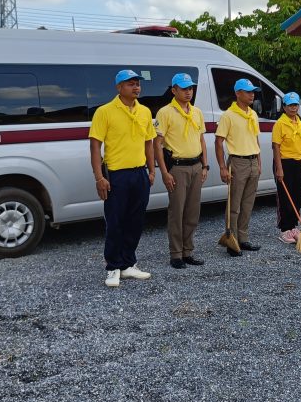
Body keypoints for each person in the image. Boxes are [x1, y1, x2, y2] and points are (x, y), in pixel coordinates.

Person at [89, 69, 156, 287]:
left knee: (136, 221)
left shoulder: (144, 111)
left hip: (139, 173)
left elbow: (149, 142)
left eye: (137, 84)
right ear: (119, 87)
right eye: (130, 84)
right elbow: (95, 145)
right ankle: (113, 266)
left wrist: (151, 170)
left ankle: (128, 264)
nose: (136, 87)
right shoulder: (105, 112)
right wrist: (99, 177)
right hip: (116, 175)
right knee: (115, 222)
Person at [154, 72, 208, 269]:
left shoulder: (197, 112)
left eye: (190, 88)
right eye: (184, 88)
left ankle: (188, 251)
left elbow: (201, 139)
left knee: (193, 212)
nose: (188, 92)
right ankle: (176, 254)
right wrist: (164, 172)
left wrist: (205, 165)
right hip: (177, 167)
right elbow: (157, 144)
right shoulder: (165, 112)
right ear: (174, 90)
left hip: (196, 166)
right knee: (177, 211)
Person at [215, 78, 263, 257]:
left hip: (252, 161)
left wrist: (259, 161)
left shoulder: (253, 114)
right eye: (248, 91)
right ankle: (232, 241)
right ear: (238, 93)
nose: (252, 95)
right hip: (237, 162)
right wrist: (222, 167)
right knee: (234, 205)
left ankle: (243, 238)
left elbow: (255, 138)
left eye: (253, 91)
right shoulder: (228, 115)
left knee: (248, 204)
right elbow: (218, 142)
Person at [272, 92, 301, 244]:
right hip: (284, 163)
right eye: (290, 105)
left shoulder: (300, 123)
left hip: (299, 163)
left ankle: (293, 226)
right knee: (285, 197)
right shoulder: (280, 124)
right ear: (284, 107)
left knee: (297, 197)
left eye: (295, 105)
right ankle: (284, 230)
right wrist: (279, 168)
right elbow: (276, 147)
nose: (293, 108)